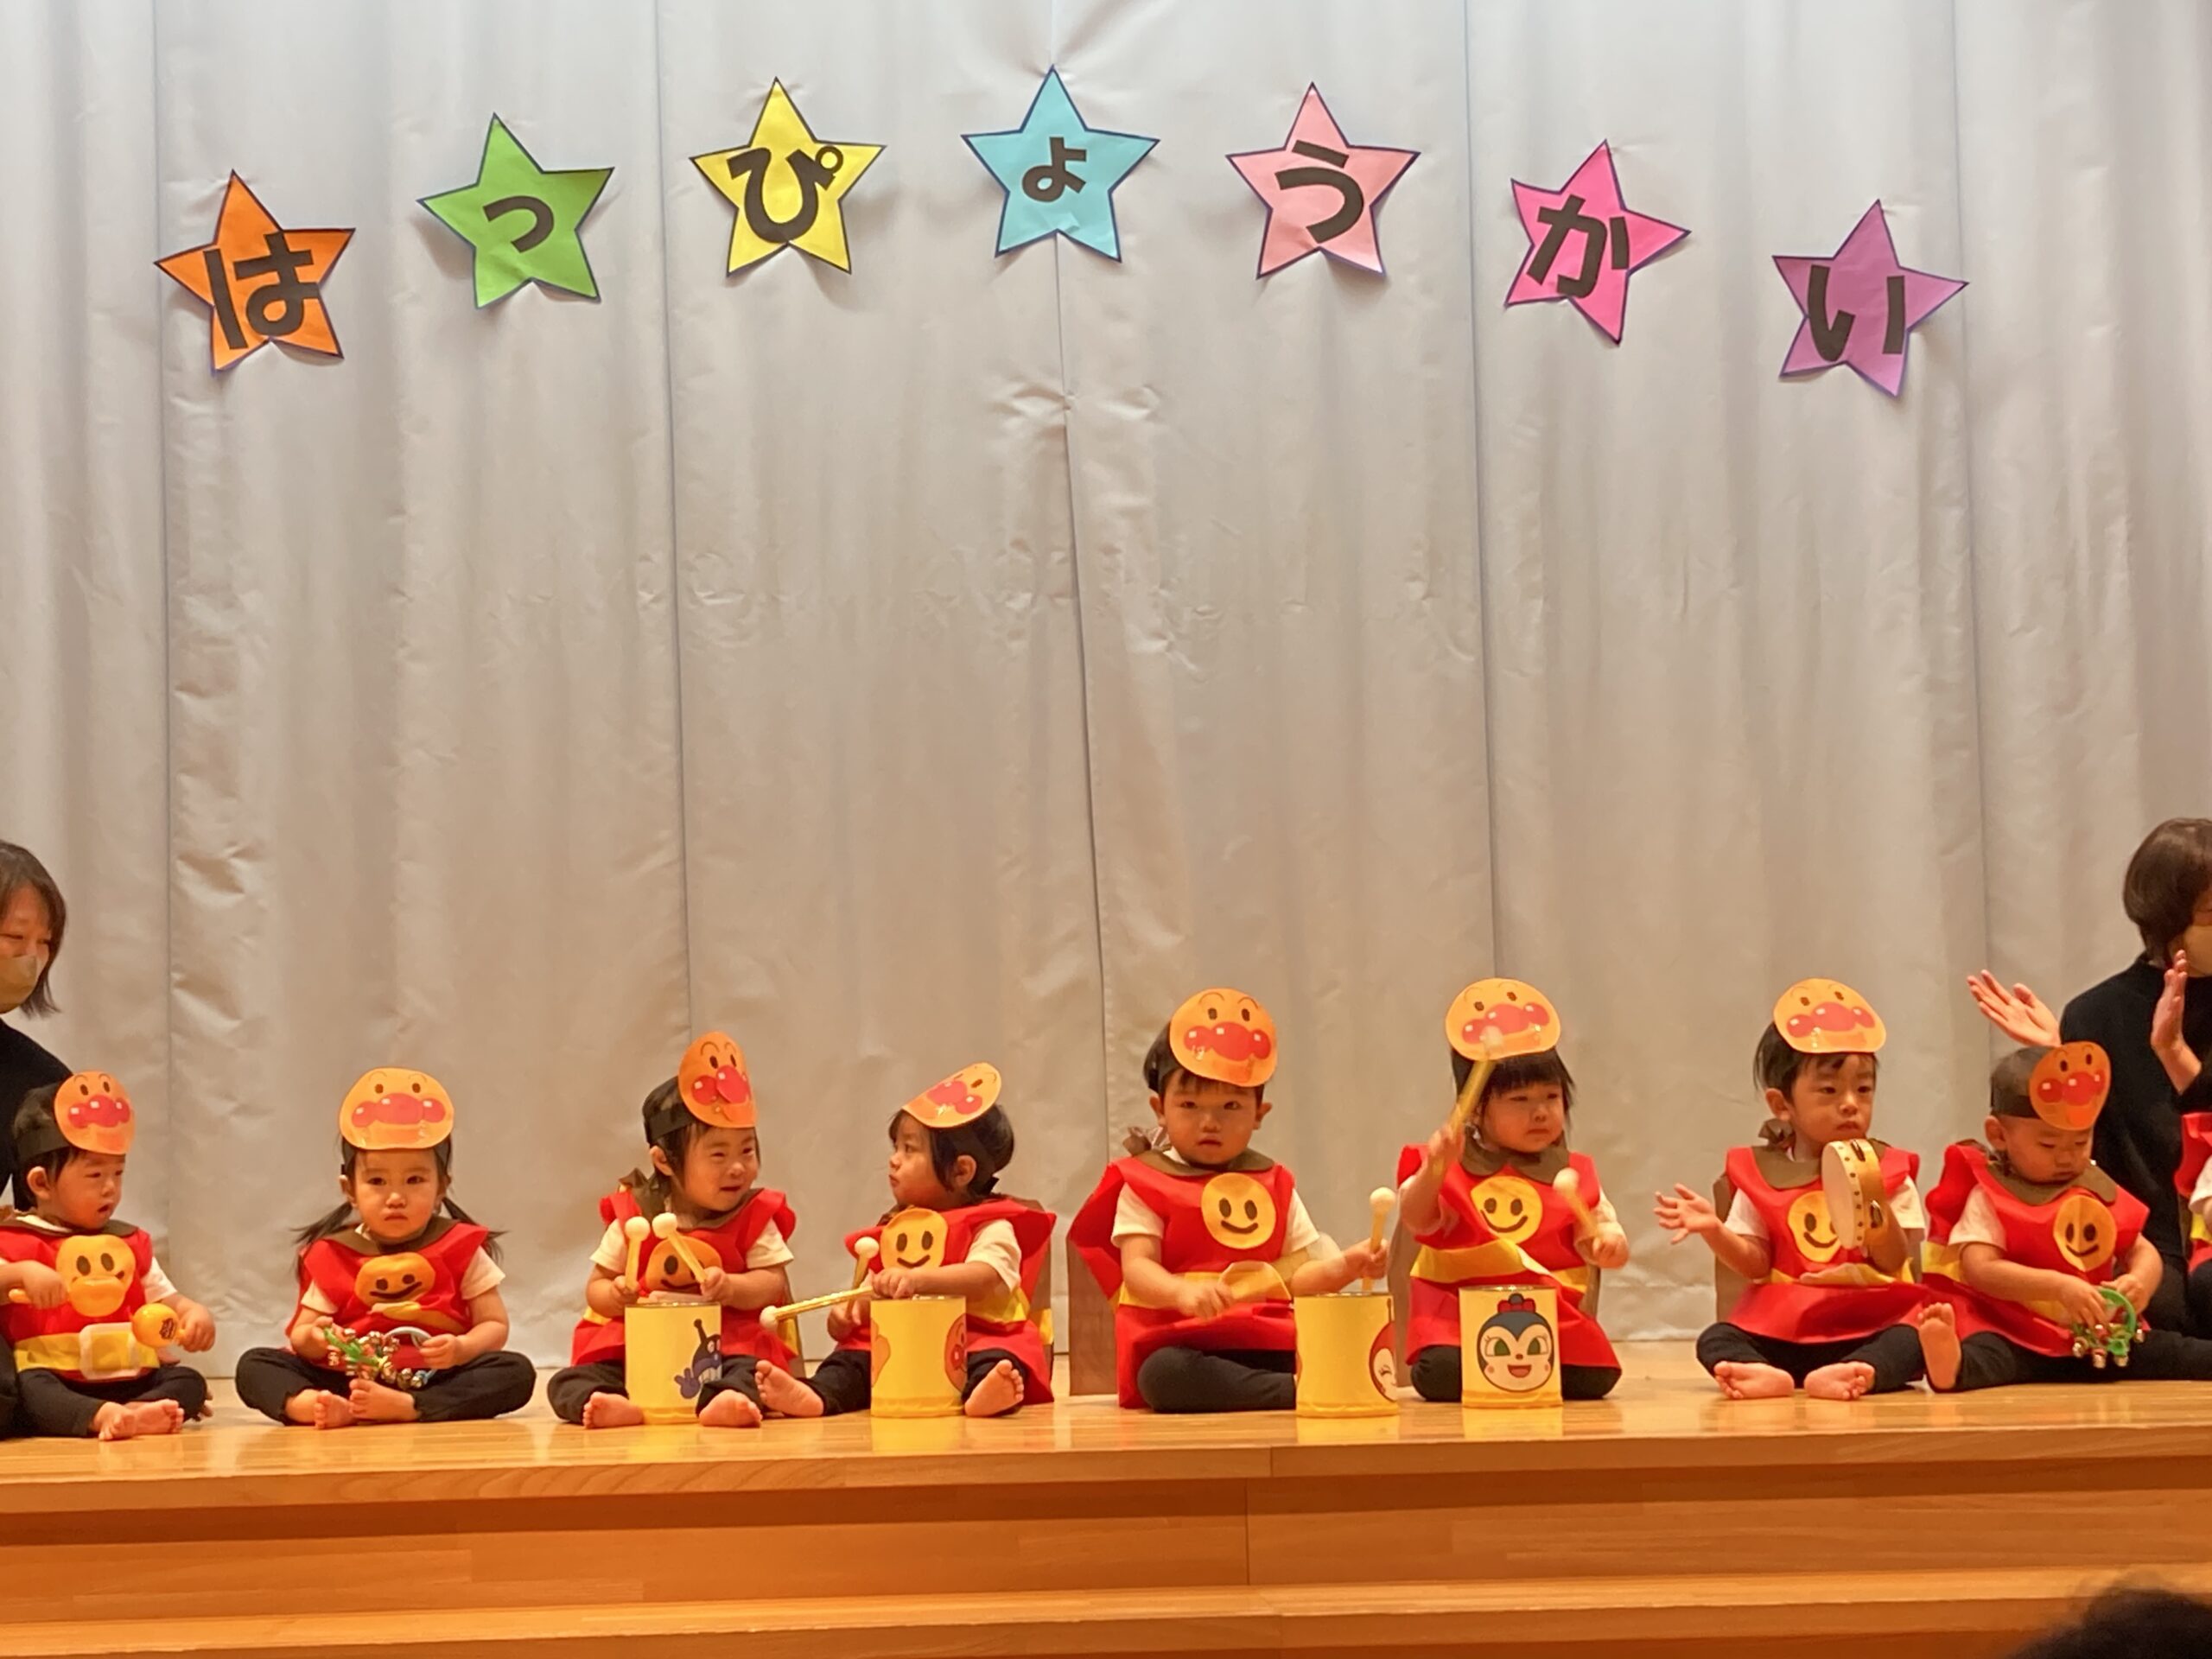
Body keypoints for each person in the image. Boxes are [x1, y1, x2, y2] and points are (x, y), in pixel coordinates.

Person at [1069, 987, 1387, 1412]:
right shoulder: (1145, 1182)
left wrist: (1346, 1266)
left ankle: (1296, 1385)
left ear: (1259, 1114)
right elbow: (1138, 1268)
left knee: (1328, 1339)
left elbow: (1298, 1280)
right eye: (1189, 1104)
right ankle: (1298, 1391)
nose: (1209, 1122)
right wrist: (1181, 1293)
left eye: (1231, 1106)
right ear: (1159, 1108)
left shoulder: (1275, 1183)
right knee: (1164, 1374)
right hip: (1184, 1340)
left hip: (1269, 1338)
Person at [1968, 817, 2212, 1334]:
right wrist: (2061, 1065)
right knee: (2150, 1305)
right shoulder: (2099, 1014)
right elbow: (2089, 1154)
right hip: (2155, 1241)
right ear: (2166, 919)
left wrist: (2174, 1053)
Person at [1655, 979, 1930, 1400]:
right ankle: (1767, 1373)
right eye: (1829, 1090)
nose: (1850, 1103)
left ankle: (1857, 1370)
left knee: (1913, 1339)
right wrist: (1714, 1230)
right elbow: (1754, 1263)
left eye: (1863, 1089)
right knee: (1716, 1338)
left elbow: (1895, 1261)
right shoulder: (1762, 1172)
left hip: (1867, 1324)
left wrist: (1872, 1196)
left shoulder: (1890, 1170)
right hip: (1786, 1328)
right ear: (1782, 1105)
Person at [232, 1067, 536, 1427]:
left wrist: (461, 1349)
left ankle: (410, 1406)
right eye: (377, 1181)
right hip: (349, 1380)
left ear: (441, 1186)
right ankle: (314, 1405)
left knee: (514, 1371)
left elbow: (494, 1324)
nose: (395, 1197)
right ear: (349, 1189)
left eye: (414, 1179)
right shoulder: (334, 1253)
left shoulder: (460, 1246)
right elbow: (301, 1336)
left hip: (432, 1377)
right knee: (255, 1365)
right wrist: (317, 1339)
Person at [758, 1064, 1055, 1420]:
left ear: (961, 1171)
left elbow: (986, 1275)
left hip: (973, 1337)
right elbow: (871, 1291)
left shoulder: (991, 1224)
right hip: (902, 1345)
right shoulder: (895, 1227)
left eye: (909, 1149)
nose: (894, 1160)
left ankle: (985, 1394)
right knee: (852, 1359)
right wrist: (849, 1314)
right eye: (896, 1147)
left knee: (998, 1360)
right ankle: (819, 1395)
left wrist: (917, 1280)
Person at [1918, 1044, 2212, 1390]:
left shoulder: (2094, 1187)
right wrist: (2057, 1287)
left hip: (2099, 1336)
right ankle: (1953, 1367)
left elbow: (2141, 1249)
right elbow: (1979, 1268)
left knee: (2171, 1350)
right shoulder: (1991, 1194)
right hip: (2019, 1333)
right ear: (1998, 1135)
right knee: (1991, 1353)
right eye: (2048, 1145)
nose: (2066, 1158)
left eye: (2080, 1142)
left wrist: (2140, 1282)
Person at [1395, 979, 1628, 1402]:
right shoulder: (1448, 1163)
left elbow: (1599, 1229)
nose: (1540, 1112)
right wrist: (1435, 1170)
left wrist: (1610, 1245)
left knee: (1596, 1378)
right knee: (1439, 1372)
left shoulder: (1573, 1171)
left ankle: (1517, 1374)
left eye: (1551, 1097)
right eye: (1519, 1100)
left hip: (1547, 1315)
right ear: (1475, 1110)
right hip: (1458, 1314)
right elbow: (1415, 1218)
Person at [550, 1033, 793, 1429]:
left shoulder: (754, 1215)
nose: (737, 1167)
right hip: (641, 1345)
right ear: (664, 1161)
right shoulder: (635, 1216)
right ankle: (609, 1402)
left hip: (721, 1343)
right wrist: (615, 1295)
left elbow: (772, 1282)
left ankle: (723, 1400)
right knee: (567, 1382)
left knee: (754, 1371)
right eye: (718, 1154)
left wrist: (733, 1287)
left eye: (747, 1150)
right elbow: (596, 1286)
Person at [0, 1072, 214, 1437]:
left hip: (131, 1374)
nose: (110, 1188)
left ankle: (136, 1411)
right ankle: (95, 1415)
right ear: (41, 1183)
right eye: (95, 1175)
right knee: (30, 1388)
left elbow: (168, 1299)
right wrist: (21, 1273)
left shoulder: (130, 1241)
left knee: (189, 1380)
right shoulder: (16, 1240)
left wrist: (195, 1313)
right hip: (57, 1376)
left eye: (118, 1172)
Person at [0, 842, 70, 1208]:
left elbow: (47, 1227)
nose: (32, 957)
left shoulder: (41, 1083)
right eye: (15, 936)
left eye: (45, 942)